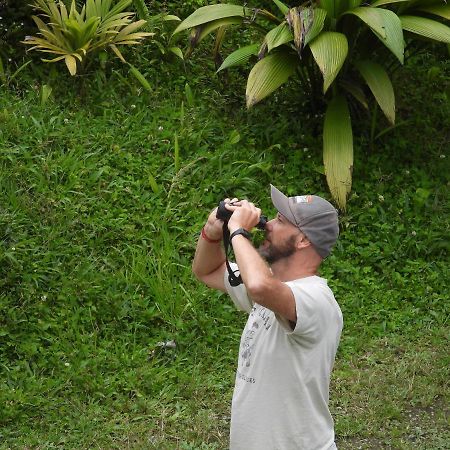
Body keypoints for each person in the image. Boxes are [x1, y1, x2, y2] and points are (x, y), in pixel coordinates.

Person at [192, 184, 343, 450]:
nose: (269, 224)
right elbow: (207, 270)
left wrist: (239, 231)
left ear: (303, 240)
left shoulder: (317, 299)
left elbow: (259, 287)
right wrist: (213, 232)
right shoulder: (272, 284)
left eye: (281, 220)